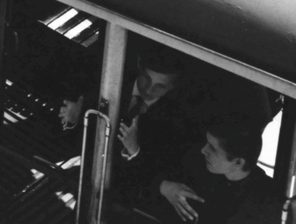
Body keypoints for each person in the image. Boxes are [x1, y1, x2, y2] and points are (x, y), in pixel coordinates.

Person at [111, 46, 195, 208]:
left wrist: (134, 150)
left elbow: (156, 169)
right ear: (139, 65)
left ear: (173, 87)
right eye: (146, 79)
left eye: (160, 86)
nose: (149, 89)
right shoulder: (113, 76)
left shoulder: (175, 121)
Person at [154, 120, 281, 224]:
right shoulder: (200, 161)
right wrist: (163, 186)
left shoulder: (264, 201)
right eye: (207, 143)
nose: (203, 150)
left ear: (237, 163)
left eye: (213, 148)